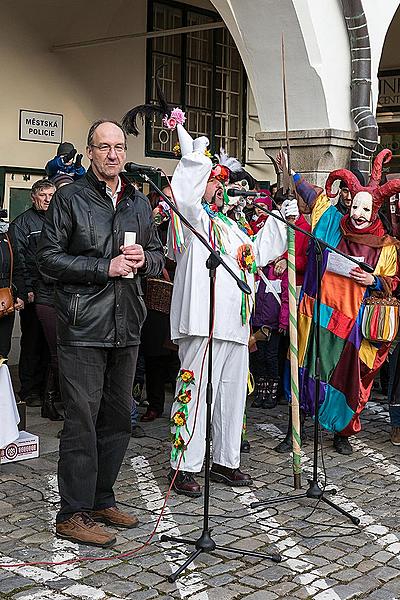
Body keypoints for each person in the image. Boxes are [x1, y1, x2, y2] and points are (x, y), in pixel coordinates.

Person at [37, 120, 164, 547]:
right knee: (81, 423)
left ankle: (100, 498)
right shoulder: (69, 198)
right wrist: (101, 268)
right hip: (82, 326)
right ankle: (72, 513)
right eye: (104, 147)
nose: (113, 154)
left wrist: (146, 258)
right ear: (90, 153)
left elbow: (161, 258)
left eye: (119, 147)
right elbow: (47, 260)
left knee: (117, 419)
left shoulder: (138, 202)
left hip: (127, 325)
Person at [167, 124, 298, 497]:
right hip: (203, 322)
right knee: (195, 392)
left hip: (236, 325)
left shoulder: (233, 227)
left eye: (222, 181)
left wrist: (280, 218)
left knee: (232, 393)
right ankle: (184, 466)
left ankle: (226, 460)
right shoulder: (195, 220)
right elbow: (185, 196)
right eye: (213, 180)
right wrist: (194, 161)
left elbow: (258, 254)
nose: (219, 187)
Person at [291, 149, 400, 455]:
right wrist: (293, 174)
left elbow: (393, 282)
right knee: (307, 368)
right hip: (321, 314)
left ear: (375, 209)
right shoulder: (332, 224)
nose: (359, 214)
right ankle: (297, 426)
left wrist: (374, 281)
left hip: (353, 325)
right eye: (356, 206)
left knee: (348, 380)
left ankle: (342, 432)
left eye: (366, 209)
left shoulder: (386, 246)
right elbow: (314, 198)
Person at [9, 180, 54, 406]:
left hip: (55, 292)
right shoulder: (21, 225)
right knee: (32, 342)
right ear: (33, 197)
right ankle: (29, 390)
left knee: (50, 344)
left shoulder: (58, 221)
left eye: (51, 195)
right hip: (33, 292)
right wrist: (26, 290)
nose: (48, 199)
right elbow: (19, 261)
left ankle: (48, 391)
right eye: (43, 195)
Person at [0, 209, 25, 358]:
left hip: (4, 299)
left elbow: (17, 266)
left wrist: (19, 294)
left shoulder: (7, 233)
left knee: (2, 349)